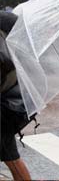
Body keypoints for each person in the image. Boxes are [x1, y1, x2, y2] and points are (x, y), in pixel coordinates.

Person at [0, 11, 31, 180]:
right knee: (11, 158)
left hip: (5, 110)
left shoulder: (4, 56)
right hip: (10, 109)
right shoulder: (13, 54)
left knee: (11, 158)